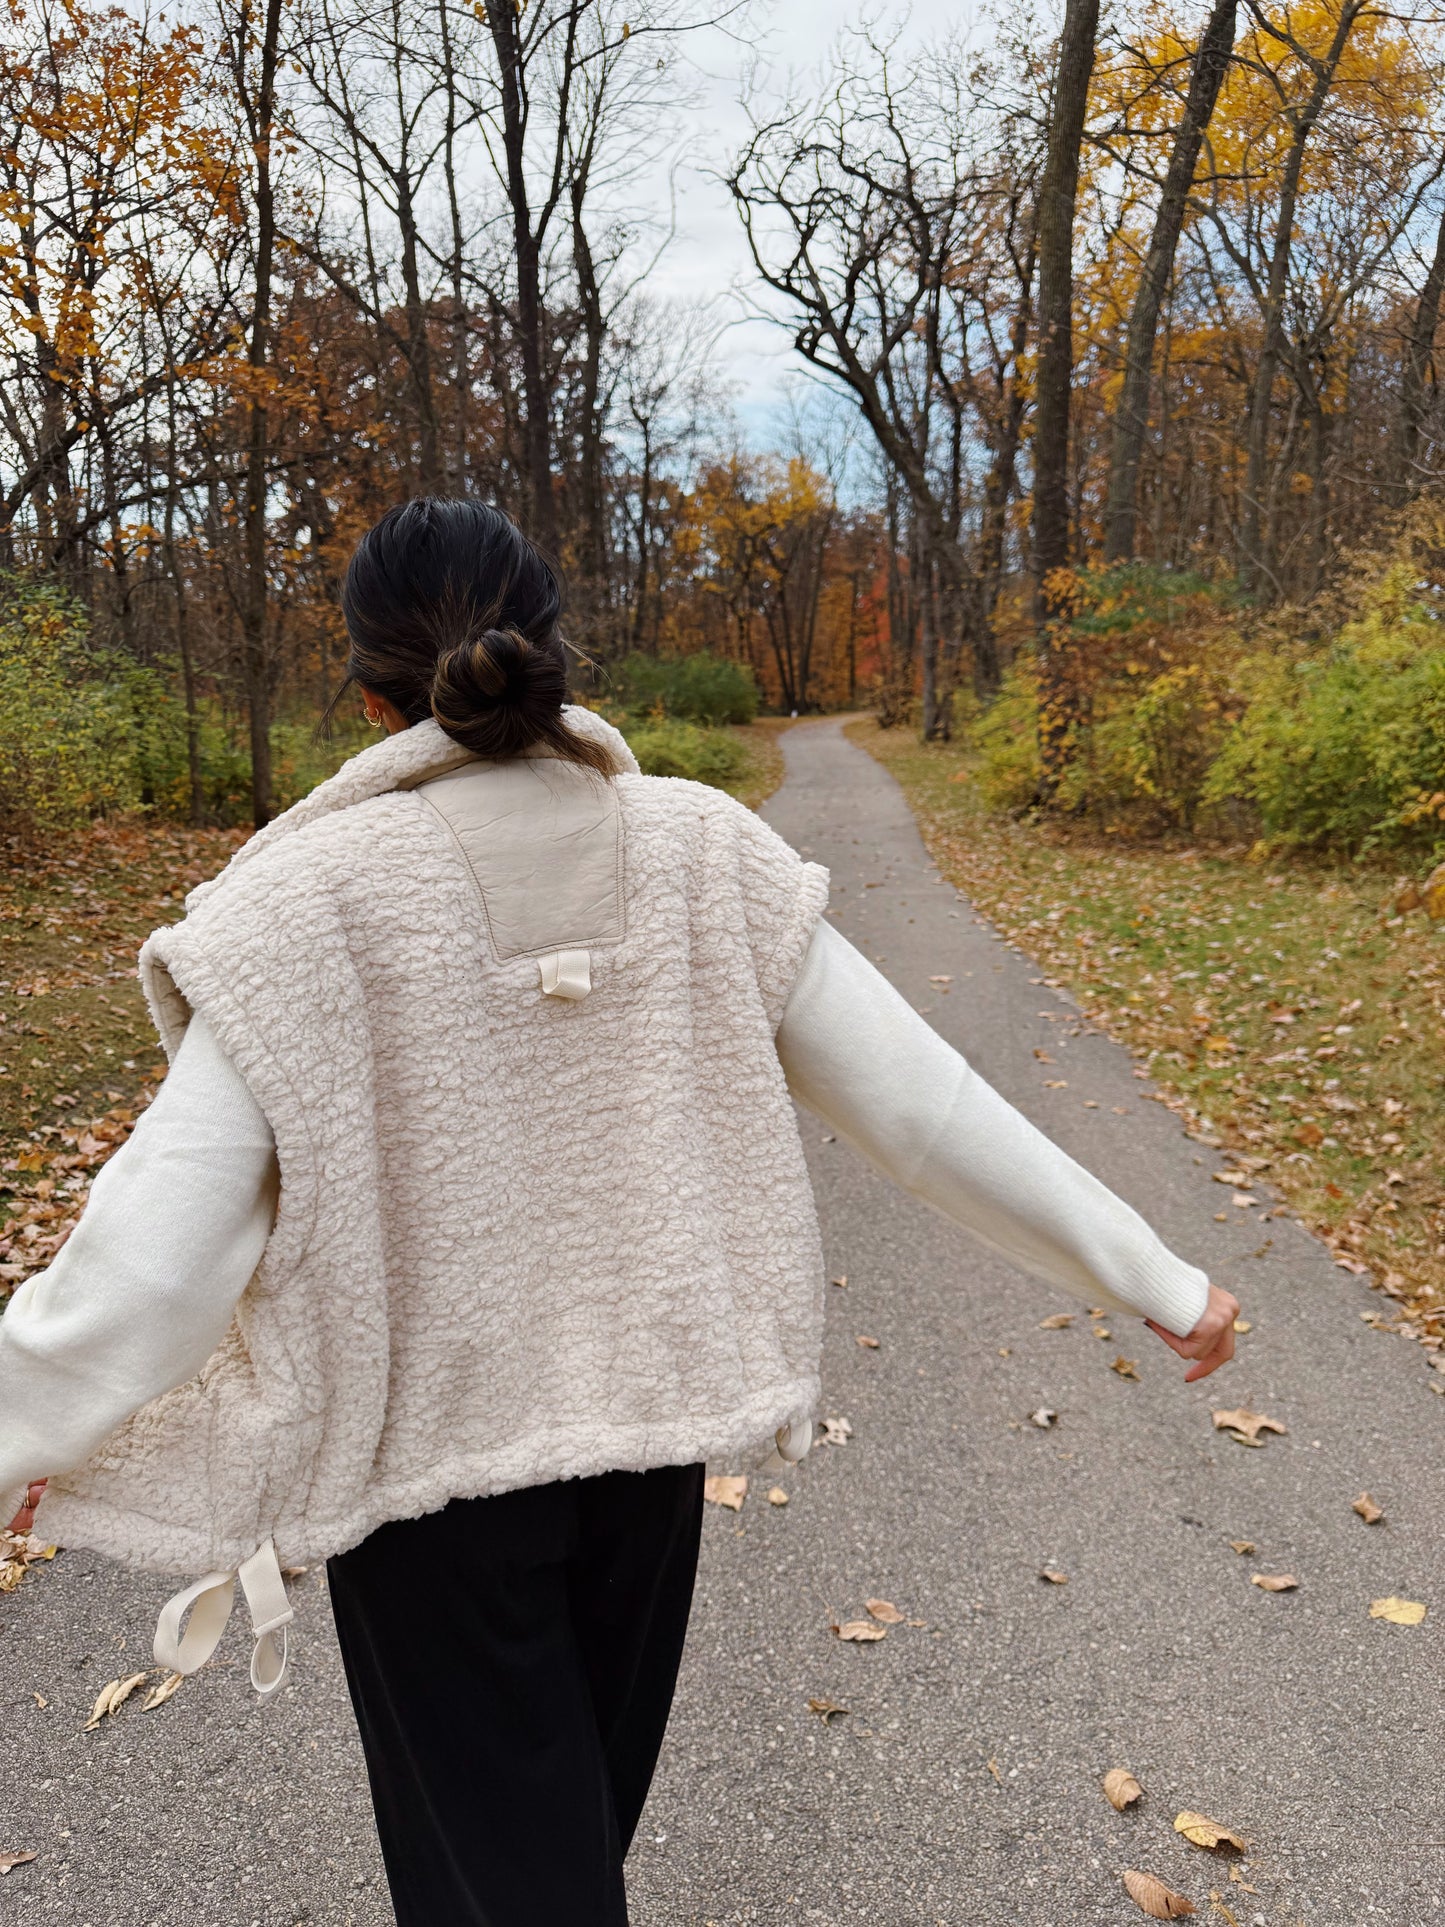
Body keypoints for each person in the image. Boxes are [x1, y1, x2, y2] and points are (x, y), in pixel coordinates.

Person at [0, 497, 1238, 1927]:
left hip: (428, 1489)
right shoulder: (704, 853)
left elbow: (155, 1251)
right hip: (646, 1455)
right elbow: (923, 1107)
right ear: (555, 651)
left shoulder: (300, 908)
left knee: (510, 1876)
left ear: (365, 687)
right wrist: (1152, 1272)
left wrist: (29, 1427)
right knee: (568, 1837)